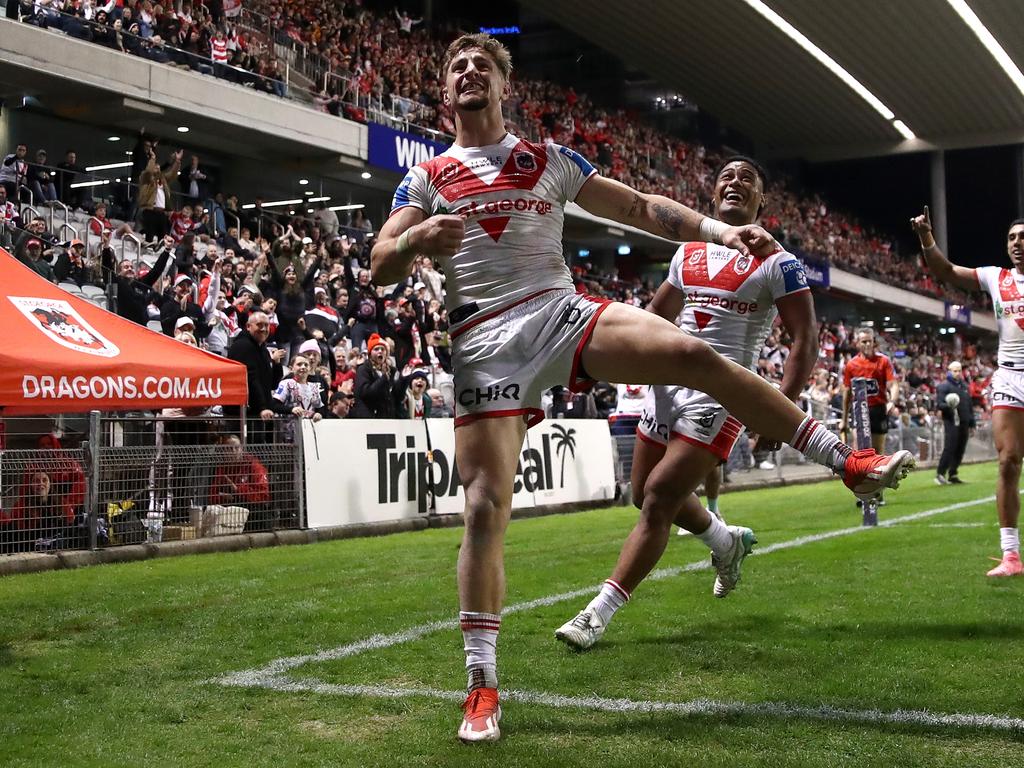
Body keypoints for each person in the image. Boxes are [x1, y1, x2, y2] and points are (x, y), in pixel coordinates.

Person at [373, 34, 914, 743]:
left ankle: (849, 463)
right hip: (481, 344)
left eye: (484, 64)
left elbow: (638, 206)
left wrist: (722, 229)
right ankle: (481, 687)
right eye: (456, 67)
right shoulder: (426, 178)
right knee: (481, 509)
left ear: (506, 87)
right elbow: (381, 262)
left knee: (693, 353)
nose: (469, 72)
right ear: (445, 92)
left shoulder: (548, 160)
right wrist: (413, 244)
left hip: (559, 313)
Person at [556, 155, 819, 651]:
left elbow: (805, 338)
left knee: (657, 499)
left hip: (722, 396)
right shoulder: (689, 253)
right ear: (712, 196)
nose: (734, 182)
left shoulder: (779, 262)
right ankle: (725, 541)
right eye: (726, 176)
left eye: (747, 177)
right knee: (642, 494)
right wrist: (601, 361)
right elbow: (656, 317)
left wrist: (780, 408)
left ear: (763, 200)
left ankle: (598, 613)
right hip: (665, 388)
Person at [911, 207, 1021, 576]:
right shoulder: (996, 277)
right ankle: (1011, 556)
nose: (1018, 244)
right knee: (1007, 461)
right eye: (1013, 238)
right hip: (1009, 377)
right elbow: (946, 271)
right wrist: (927, 236)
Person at [839, 326, 900, 505]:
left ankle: (878, 493)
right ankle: (863, 493)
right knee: (860, 455)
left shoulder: (883, 361)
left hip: (878, 409)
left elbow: (893, 384)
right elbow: (847, 393)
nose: (867, 344)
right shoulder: (851, 365)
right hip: (859, 412)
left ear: (874, 342)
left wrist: (892, 401)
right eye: (863, 341)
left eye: (869, 341)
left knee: (878, 454)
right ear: (857, 344)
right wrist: (844, 418)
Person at [208, 434, 272, 534]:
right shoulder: (222, 467)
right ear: (223, 452)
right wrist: (225, 497)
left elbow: (263, 495)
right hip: (229, 509)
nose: (233, 452)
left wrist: (238, 490)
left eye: (236, 448)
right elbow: (212, 495)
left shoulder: (253, 465)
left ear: (241, 449)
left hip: (252, 510)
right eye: (229, 449)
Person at [935, 360, 974, 486]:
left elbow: (969, 405)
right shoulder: (943, 386)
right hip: (951, 421)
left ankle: (953, 473)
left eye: (959, 370)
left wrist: (972, 422)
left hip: (964, 421)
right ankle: (940, 473)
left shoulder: (965, 386)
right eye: (955, 371)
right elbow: (939, 404)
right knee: (950, 447)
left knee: (960, 448)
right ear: (949, 371)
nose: (957, 373)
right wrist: (949, 405)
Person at [351, 333, 397, 418]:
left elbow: (394, 396)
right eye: (376, 349)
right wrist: (383, 378)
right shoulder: (363, 369)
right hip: (370, 418)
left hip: (386, 418)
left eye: (383, 349)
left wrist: (404, 379)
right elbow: (366, 393)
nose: (380, 351)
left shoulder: (390, 371)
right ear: (370, 354)